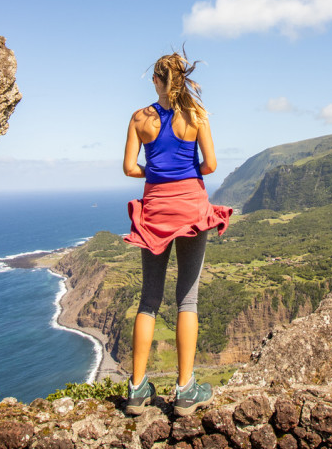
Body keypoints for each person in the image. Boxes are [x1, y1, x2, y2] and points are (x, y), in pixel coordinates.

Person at [121, 51, 232, 416]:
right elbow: (211, 165)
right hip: (191, 208)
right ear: (182, 81)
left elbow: (128, 168)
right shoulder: (196, 116)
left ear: (156, 80)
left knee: (149, 299)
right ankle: (186, 390)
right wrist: (186, 173)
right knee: (188, 299)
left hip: (155, 211)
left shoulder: (140, 118)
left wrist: (156, 173)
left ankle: (137, 390)